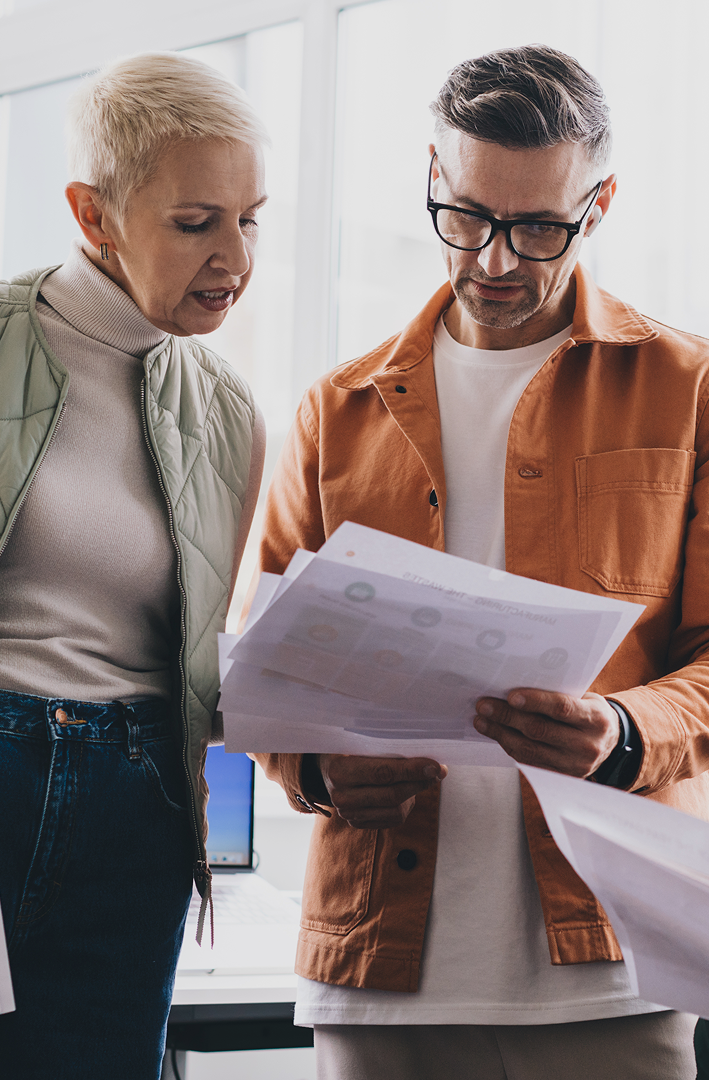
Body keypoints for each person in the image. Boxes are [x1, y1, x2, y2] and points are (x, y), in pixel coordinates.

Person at [254, 44, 708, 1080]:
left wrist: (626, 730)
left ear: (598, 206)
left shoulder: (686, 389)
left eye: (537, 227)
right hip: (378, 966)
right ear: (431, 176)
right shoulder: (336, 408)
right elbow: (259, 668)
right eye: (464, 217)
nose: (495, 260)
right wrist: (317, 768)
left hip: (615, 958)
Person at [0, 52, 267, 1080]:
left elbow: (192, 648)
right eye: (195, 222)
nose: (233, 256)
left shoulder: (228, 412)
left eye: (252, 218)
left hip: (133, 802)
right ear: (93, 212)